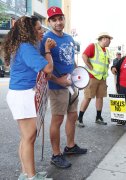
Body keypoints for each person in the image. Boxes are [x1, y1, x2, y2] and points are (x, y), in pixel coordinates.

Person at [4, 16, 54, 180]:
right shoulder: (26, 47)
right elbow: (47, 68)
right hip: (23, 94)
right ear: (29, 31)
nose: (42, 31)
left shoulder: (26, 45)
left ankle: (26, 173)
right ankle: (31, 177)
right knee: (29, 137)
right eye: (39, 28)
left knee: (26, 137)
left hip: (23, 93)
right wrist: (47, 51)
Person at [41, 6, 87, 169]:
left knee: (73, 116)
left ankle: (70, 146)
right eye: (54, 20)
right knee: (57, 119)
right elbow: (44, 67)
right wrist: (59, 81)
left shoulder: (69, 38)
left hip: (71, 84)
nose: (58, 22)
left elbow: (71, 61)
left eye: (60, 18)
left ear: (64, 19)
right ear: (49, 22)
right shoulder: (46, 39)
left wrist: (77, 78)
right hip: (56, 86)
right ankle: (56, 154)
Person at [77, 32, 112, 127]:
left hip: (102, 78)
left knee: (100, 97)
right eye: (109, 39)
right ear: (104, 38)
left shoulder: (106, 50)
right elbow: (84, 55)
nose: (110, 42)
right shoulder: (93, 46)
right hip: (92, 77)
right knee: (88, 97)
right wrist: (89, 66)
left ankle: (98, 117)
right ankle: (79, 119)